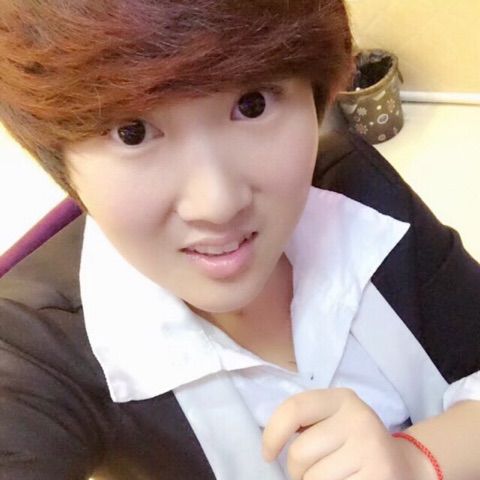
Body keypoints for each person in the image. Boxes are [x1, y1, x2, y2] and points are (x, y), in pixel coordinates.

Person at [0, 1, 479, 479]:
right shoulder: (33, 348)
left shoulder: (357, 190)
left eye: (253, 104)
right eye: (133, 132)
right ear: (60, 159)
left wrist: (418, 461)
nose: (218, 204)